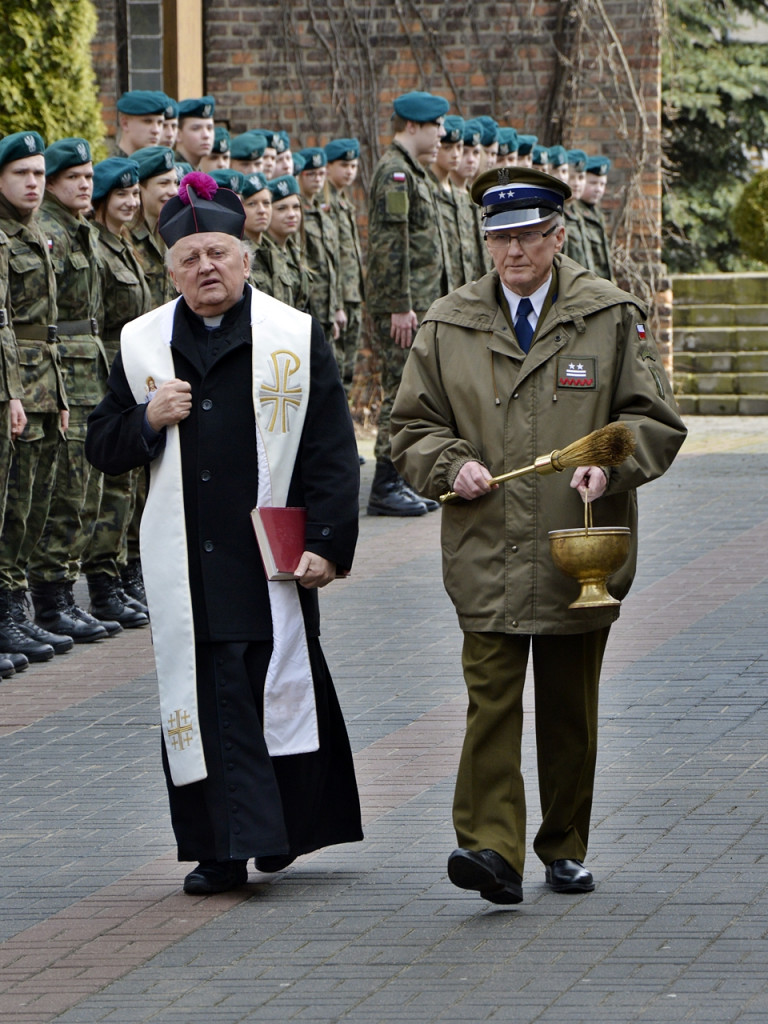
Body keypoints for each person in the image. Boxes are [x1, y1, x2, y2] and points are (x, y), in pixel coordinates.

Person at [390, 166, 687, 905]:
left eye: (527, 236)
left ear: (559, 236)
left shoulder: (607, 315)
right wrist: (450, 465)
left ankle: (563, 844)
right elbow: (412, 426)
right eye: (500, 239)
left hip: (577, 549)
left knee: (568, 708)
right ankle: (490, 849)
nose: (513, 251)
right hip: (486, 547)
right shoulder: (449, 323)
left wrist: (610, 465)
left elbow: (652, 419)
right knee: (490, 701)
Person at [85, 172, 363, 894]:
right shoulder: (143, 344)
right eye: (190, 258)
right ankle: (221, 851)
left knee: (277, 690)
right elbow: (101, 444)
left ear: (244, 257)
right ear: (170, 271)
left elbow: (331, 449)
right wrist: (147, 420)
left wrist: (328, 544)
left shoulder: (292, 336)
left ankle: (280, 834)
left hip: (269, 557)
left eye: (218, 253)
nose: (206, 267)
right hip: (188, 567)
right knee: (209, 702)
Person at [29, 138, 114, 643]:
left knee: (84, 487)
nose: (85, 185)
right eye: (74, 178)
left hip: (88, 370)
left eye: (88, 177)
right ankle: (50, 598)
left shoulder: (81, 230)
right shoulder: (50, 232)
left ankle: (62, 593)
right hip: (61, 374)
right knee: (62, 489)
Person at [0, 131, 72, 663]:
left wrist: (60, 391)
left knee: (31, 505)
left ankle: (14, 608)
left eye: (39, 174)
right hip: (17, 384)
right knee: (10, 505)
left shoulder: (35, 233)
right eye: (21, 173)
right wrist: (12, 394)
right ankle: (6, 613)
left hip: (42, 380)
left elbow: (49, 327)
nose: (33, 183)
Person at [365, 89, 449, 517]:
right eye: (437, 126)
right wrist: (400, 305)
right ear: (413, 126)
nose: (442, 134)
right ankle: (385, 484)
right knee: (399, 392)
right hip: (402, 307)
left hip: (416, 304)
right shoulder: (395, 173)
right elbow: (389, 243)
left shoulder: (413, 172)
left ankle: (399, 479)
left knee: (412, 390)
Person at [83, 158, 151, 628]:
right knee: (105, 489)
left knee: (127, 487)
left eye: (134, 194)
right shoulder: (98, 246)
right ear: (102, 200)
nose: (130, 202)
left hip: (129, 369)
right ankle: (102, 585)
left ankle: (122, 575)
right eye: (120, 195)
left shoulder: (124, 245)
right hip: (102, 370)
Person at [324, 138, 365, 394]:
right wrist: (337, 302)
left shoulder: (343, 202)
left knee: (348, 367)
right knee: (336, 366)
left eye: (353, 165)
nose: (350, 171)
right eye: (344, 165)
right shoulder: (324, 204)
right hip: (338, 297)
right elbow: (331, 257)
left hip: (352, 294)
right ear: (328, 167)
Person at [265, 174, 311, 312]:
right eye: (282, 208)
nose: (292, 214)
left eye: (296, 207)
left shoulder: (294, 250)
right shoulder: (263, 254)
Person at [579, 155, 613, 281]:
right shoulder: (573, 214)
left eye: (602, 184)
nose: (598, 189)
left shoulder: (597, 214)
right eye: (593, 183)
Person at [563, 149, 594, 271]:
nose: (576, 184)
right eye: (571, 177)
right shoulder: (557, 215)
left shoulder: (580, 213)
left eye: (581, 178)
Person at [114, 91, 169, 157]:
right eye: (148, 121)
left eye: (160, 122)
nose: (156, 130)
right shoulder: (112, 163)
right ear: (125, 124)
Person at [174, 97, 215, 169]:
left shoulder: (197, 169)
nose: (206, 135)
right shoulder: (172, 171)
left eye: (209, 128)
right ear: (178, 134)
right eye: (196, 128)